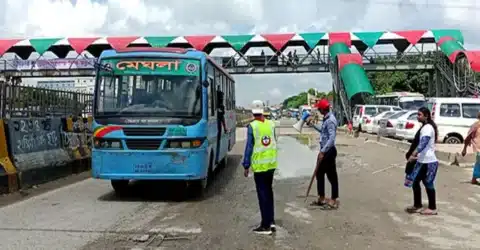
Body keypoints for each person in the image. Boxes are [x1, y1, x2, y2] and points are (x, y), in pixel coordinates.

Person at [242, 100, 278, 235]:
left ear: (252, 112)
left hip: (260, 167)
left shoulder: (252, 126)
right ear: (263, 111)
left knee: (263, 195)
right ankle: (272, 221)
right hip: (271, 165)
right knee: (269, 193)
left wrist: (246, 165)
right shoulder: (271, 124)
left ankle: (265, 225)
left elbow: (249, 147)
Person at [405, 107, 439, 216]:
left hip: (429, 162)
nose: (417, 116)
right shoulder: (424, 127)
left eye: (419, 114)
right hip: (422, 161)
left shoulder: (428, 128)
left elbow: (423, 143)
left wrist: (413, 154)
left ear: (426, 116)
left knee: (428, 183)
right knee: (415, 181)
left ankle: (432, 208)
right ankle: (418, 205)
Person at [307, 99, 339, 210]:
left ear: (322, 109)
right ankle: (322, 198)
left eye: (319, 108)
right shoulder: (326, 119)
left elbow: (331, 138)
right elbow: (323, 131)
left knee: (331, 176)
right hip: (326, 150)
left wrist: (323, 151)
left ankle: (334, 199)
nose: (318, 110)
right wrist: (313, 125)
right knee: (319, 174)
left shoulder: (330, 120)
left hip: (328, 151)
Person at [461, 111, 480, 185]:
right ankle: (474, 179)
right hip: (479, 148)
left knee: (478, 163)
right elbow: (468, 137)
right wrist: (464, 149)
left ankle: (474, 179)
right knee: (479, 163)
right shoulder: (476, 125)